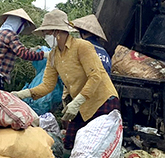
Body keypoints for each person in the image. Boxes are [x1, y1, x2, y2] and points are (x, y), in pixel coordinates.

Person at [13, 9, 120, 150]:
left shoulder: (82, 46)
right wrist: (22, 94)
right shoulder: (53, 56)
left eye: (48, 33)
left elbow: (96, 76)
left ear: (57, 32)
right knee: (70, 145)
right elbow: (47, 85)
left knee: (98, 147)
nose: (46, 36)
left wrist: (77, 102)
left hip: (102, 101)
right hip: (81, 105)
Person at [0, 8, 45, 91]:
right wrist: (43, 55)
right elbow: (23, 53)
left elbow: (16, 49)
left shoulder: (0, 32)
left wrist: (32, 50)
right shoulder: (9, 34)